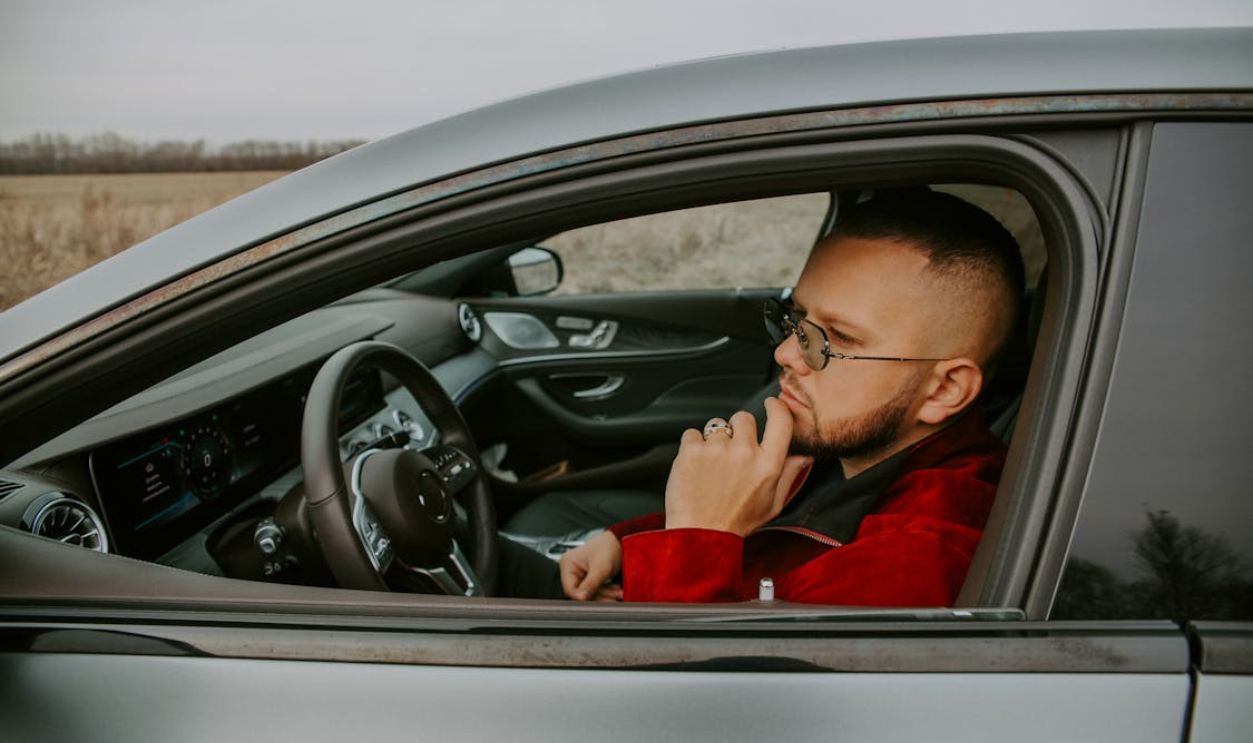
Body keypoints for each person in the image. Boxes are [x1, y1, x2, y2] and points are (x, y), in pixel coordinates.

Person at [555, 188, 1026, 605]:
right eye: (796, 319)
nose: (786, 353)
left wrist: (695, 539)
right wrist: (631, 540)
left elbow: (695, 691)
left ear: (945, 390)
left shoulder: (908, 565)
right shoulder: (852, 442)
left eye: (838, 338)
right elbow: (784, 530)